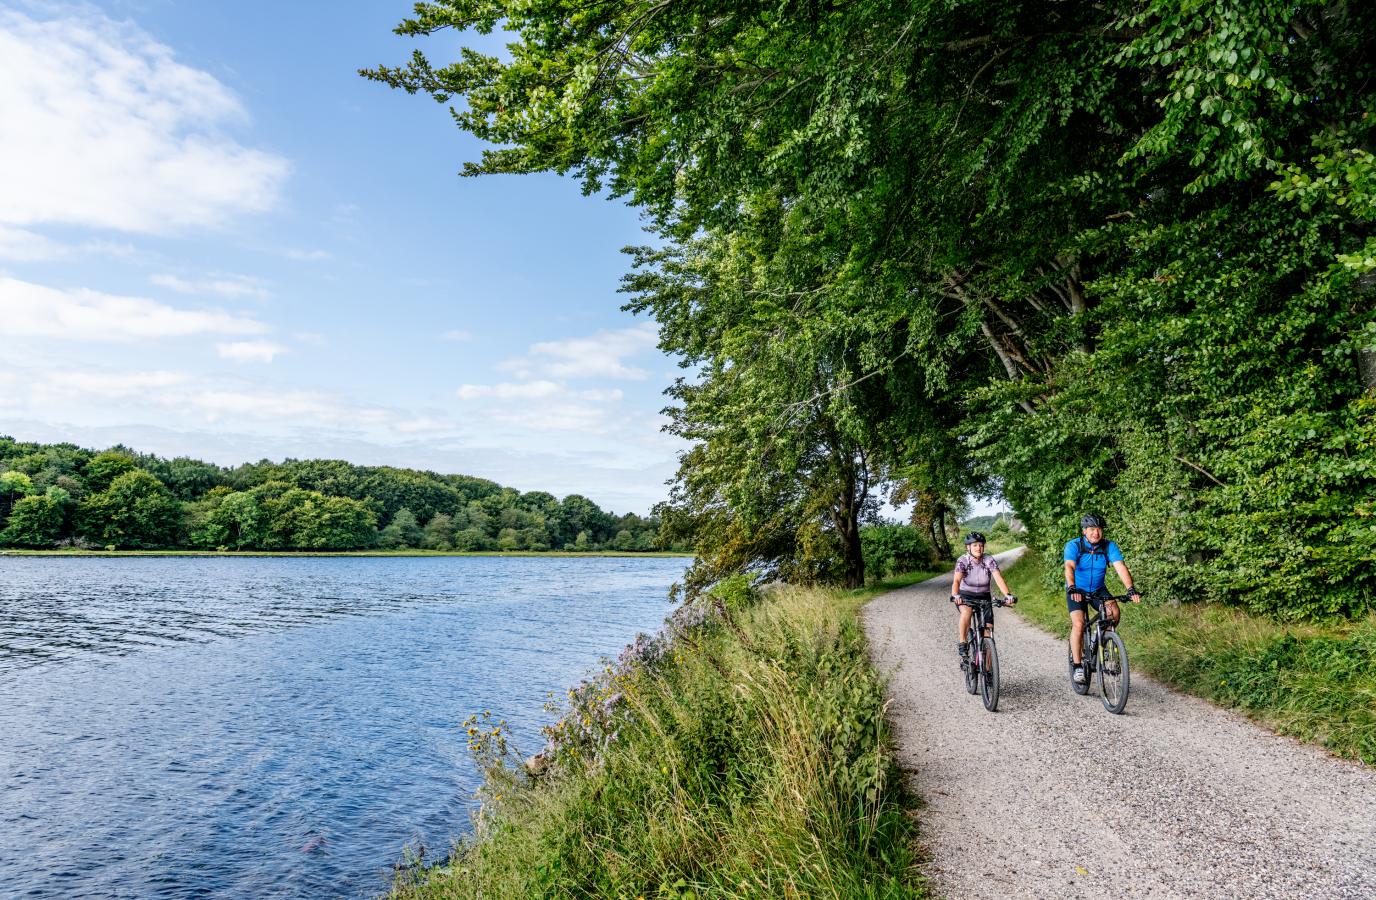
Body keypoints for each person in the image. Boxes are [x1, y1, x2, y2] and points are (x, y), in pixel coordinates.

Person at [1064, 513, 1141, 684]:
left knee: (1114, 613)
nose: (1096, 533)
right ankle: (1077, 666)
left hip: (1098, 588)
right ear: (1084, 531)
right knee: (1079, 623)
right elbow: (1069, 566)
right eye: (1092, 529)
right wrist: (1072, 586)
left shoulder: (1108, 546)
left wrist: (1130, 588)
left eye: (1099, 529)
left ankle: (1101, 640)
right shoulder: (1074, 545)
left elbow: (1120, 567)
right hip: (1077, 589)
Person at [950, 532, 1015, 670]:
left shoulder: (988, 560)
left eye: (980, 545)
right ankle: (963, 643)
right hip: (965, 596)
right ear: (968, 547)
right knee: (966, 612)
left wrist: (1008, 595)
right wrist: (955, 595)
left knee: (988, 633)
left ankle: (988, 672)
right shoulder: (963, 560)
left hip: (984, 597)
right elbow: (956, 580)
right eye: (975, 545)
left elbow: (998, 578)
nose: (978, 548)